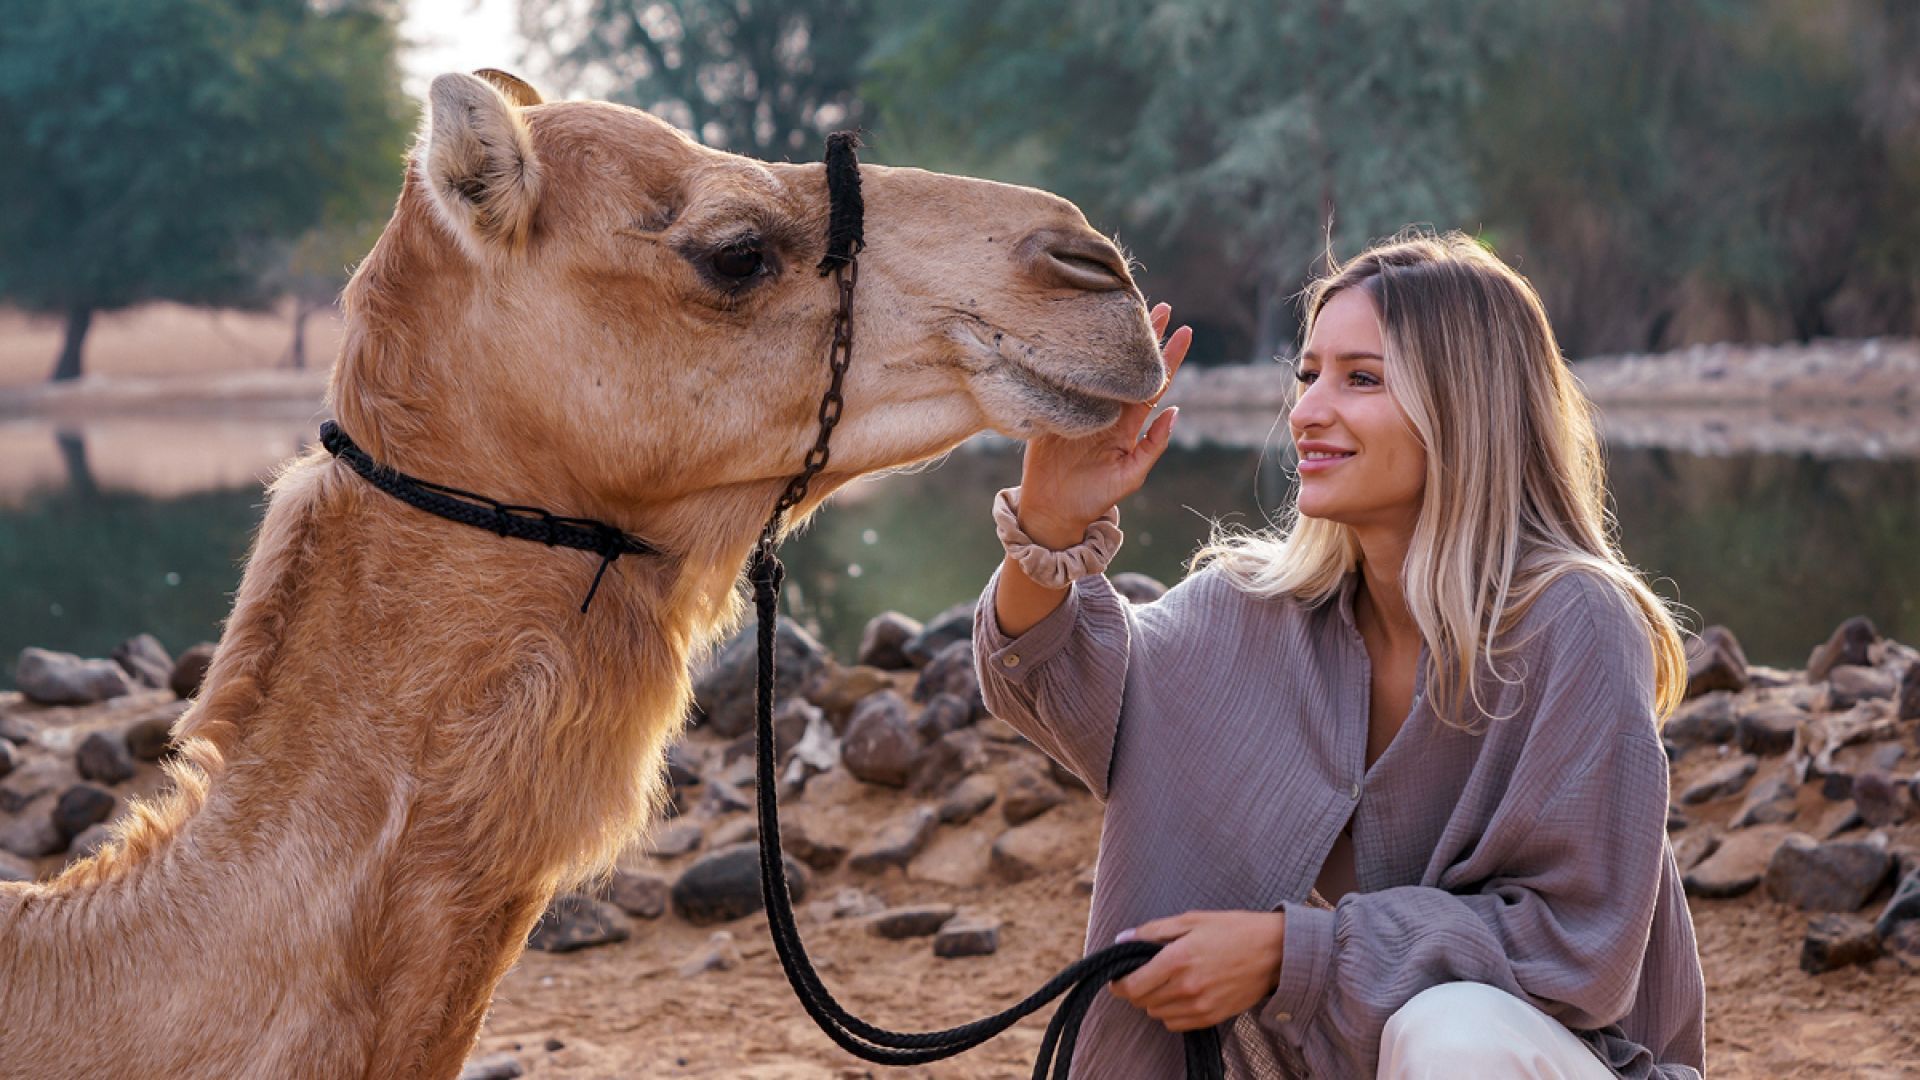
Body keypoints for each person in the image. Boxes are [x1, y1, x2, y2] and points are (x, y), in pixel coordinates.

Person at [972, 231, 1707, 1079]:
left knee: (1451, 1032)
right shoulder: (1244, 611)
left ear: (1466, 408)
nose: (1308, 411)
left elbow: (1577, 950)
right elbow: (1053, 681)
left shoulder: (1573, 621)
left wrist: (1292, 955)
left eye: (1361, 378)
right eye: (1308, 374)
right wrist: (1050, 523)